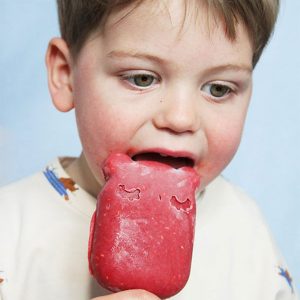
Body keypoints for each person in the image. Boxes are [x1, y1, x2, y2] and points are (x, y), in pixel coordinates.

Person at [0, 0, 298, 299]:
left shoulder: (247, 232)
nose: (181, 118)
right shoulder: (9, 231)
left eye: (218, 88)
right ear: (66, 75)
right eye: (142, 79)